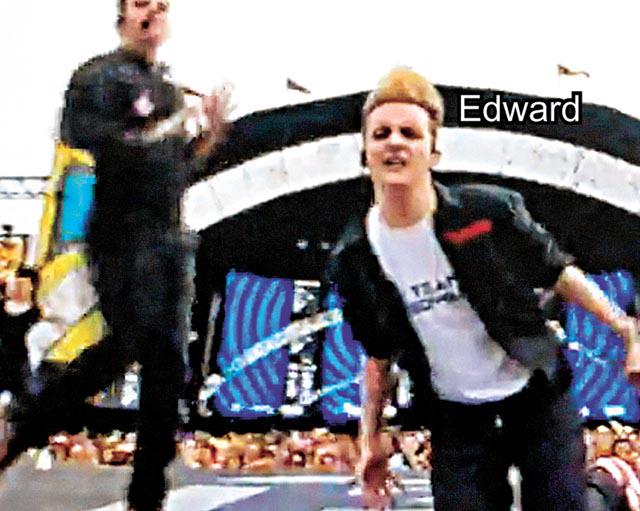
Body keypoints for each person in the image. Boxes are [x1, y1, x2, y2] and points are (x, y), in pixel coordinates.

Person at [326, 67, 640, 510]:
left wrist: (625, 330)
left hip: (534, 394)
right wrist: (370, 441)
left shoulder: (488, 213)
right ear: (365, 152)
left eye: (410, 133)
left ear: (433, 151)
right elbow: (378, 354)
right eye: (382, 134)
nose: (395, 143)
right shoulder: (355, 257)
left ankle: (608, 482)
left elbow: (559, 273)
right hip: (457, 416)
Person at [0, 1, 230, 510]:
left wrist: (209, 136)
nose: (153, 14)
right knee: (127, 344)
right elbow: (91, 141)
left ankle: (147, 495)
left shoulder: (169, 89)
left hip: (169, 236)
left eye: (161, 6)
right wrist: (162, 130)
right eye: (142, 4)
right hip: (121, 234)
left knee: (169, 365)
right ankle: (24, 422)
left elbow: (176, 168)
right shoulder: (99, 77)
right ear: (122, 16)